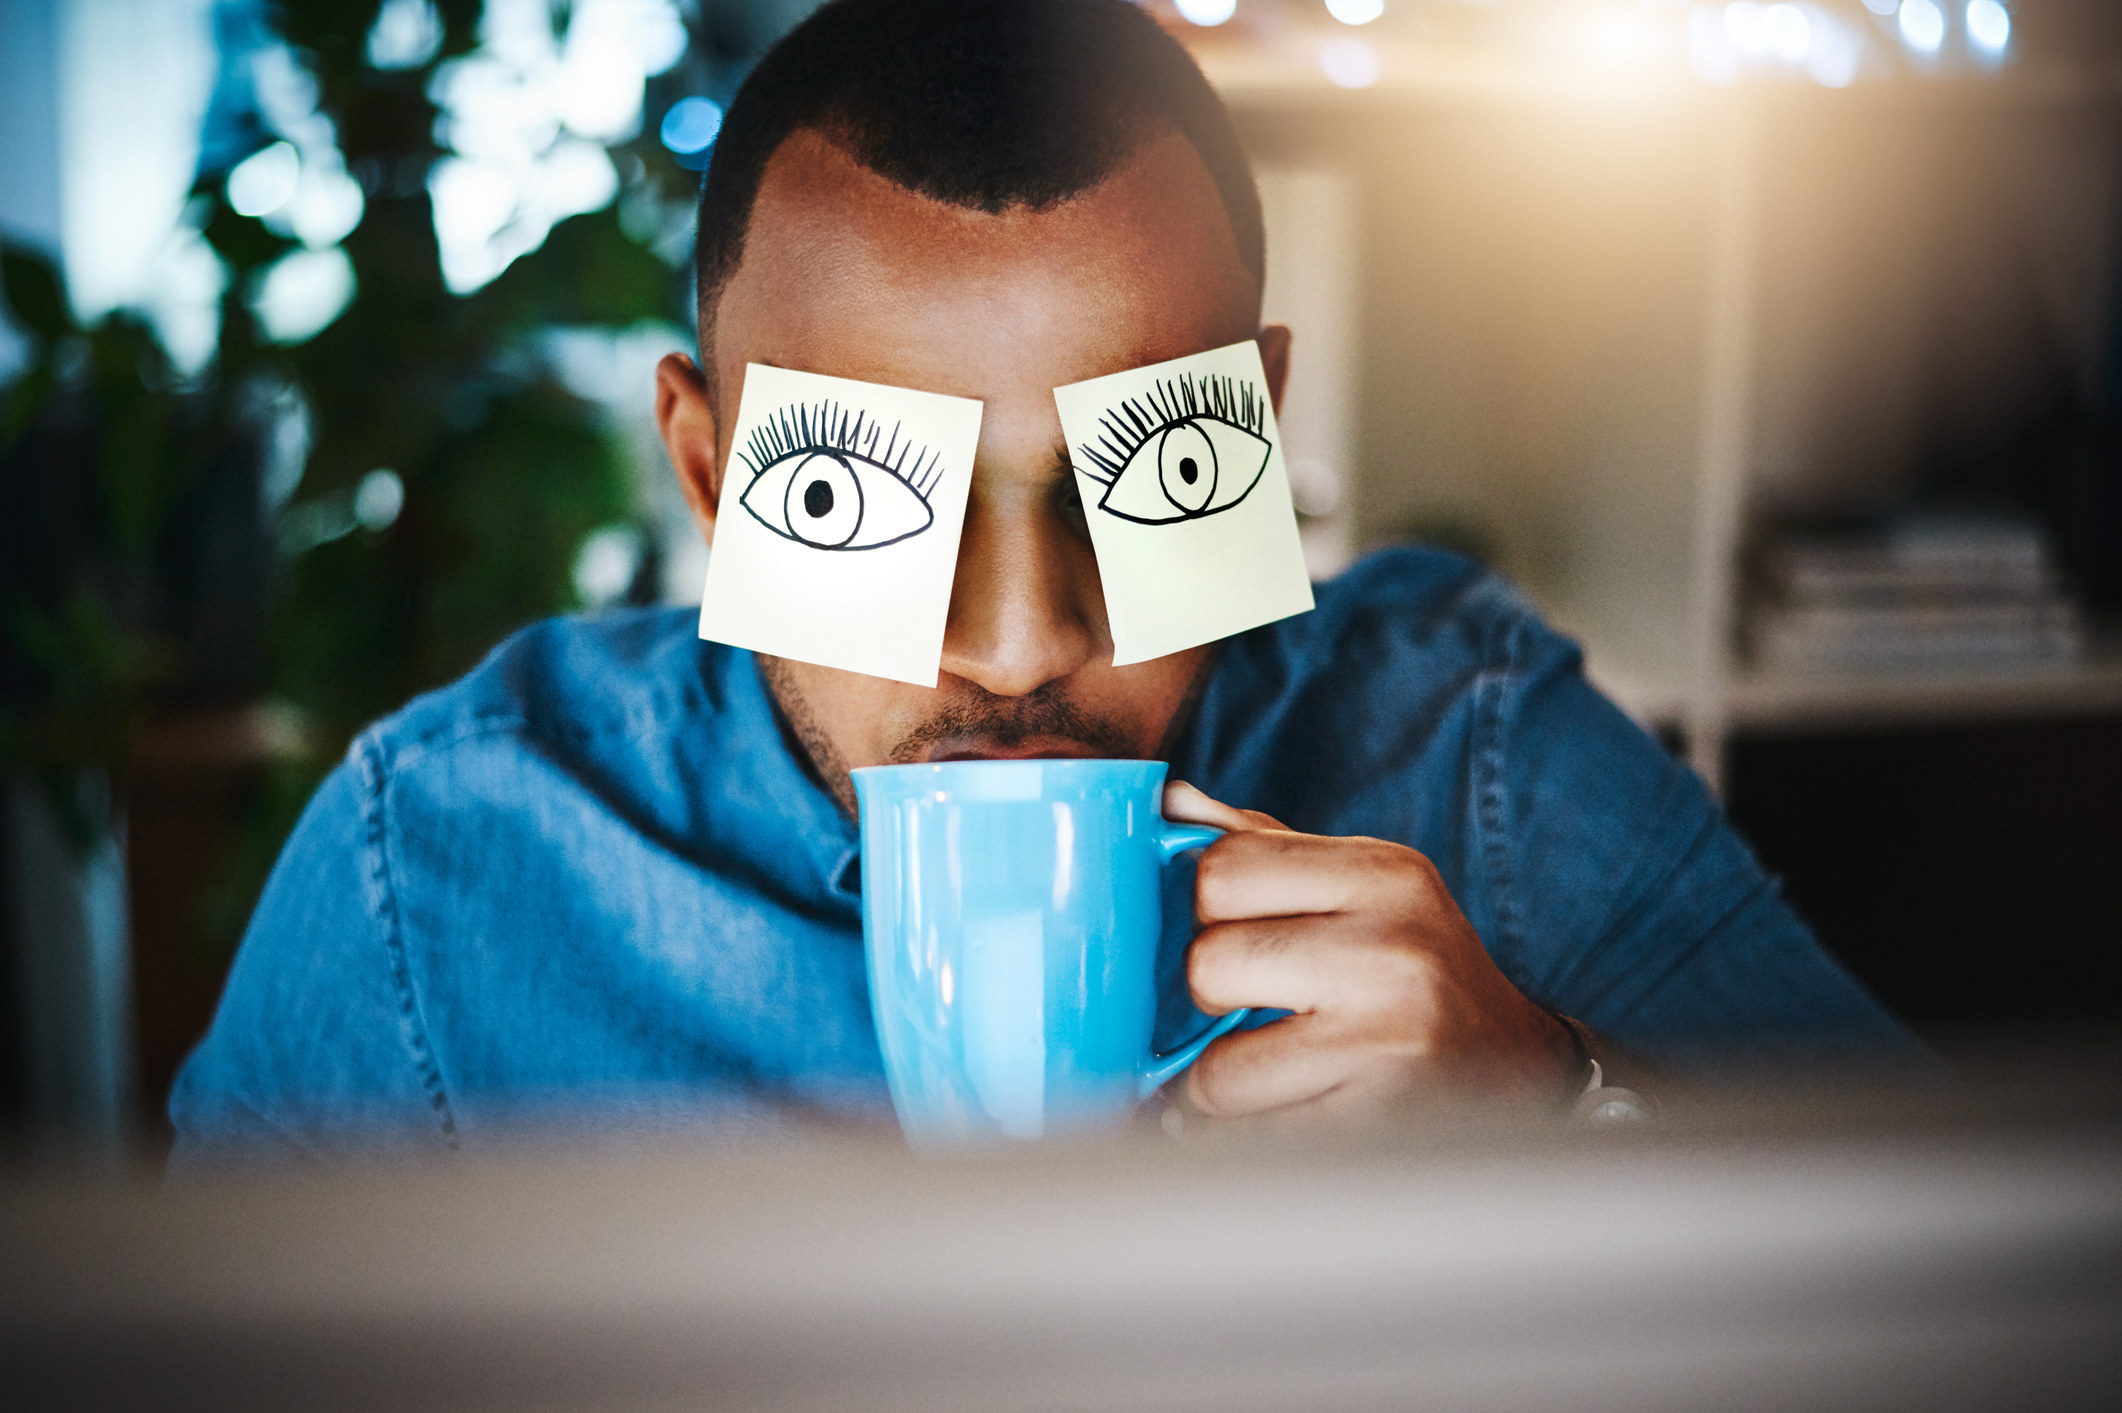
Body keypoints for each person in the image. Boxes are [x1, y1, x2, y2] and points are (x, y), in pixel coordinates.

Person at [171, 0, 1918, 1156]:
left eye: (1142, 474)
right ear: (708, 469)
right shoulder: (433, 873)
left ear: (1252, 421)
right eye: (866, 494)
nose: (1018, 642)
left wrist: (1554, 1104)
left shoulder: (1469, 755)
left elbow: (1964, 1298)